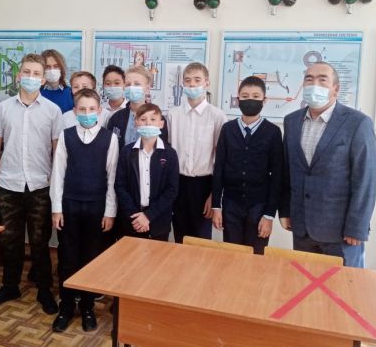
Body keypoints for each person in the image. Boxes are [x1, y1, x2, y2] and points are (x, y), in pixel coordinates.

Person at [0, 53, 63, 313]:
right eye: (26, 72)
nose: (31, 77)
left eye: (36, 73)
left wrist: (55, 184)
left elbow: (57, 150)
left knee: (40, 241)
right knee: (10, 239)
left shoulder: (52, 111)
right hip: (8, 184)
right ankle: (10, 286)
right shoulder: (4, 108)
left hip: (40, 185)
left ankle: (44, 290)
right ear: (18, 76)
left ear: (43, 79)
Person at [279, 61, 376, 267]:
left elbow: (366, 179)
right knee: (304, 282)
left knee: (343, 285)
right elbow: (287, 172)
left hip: (341, 232)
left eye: (322, 80)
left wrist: (357, 227)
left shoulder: (357, 123)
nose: (314, 84)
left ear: (336, 89)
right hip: (302, 227)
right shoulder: (291, 121)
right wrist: (286, 211)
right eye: (309, 79)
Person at [50, 88, 118, 332]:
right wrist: (56, 209)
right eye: (82, 109)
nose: (87, 113)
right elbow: (58, 173)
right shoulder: (66, 135)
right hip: (70, 205)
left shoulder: (110, 138)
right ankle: (66, 306)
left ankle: (88, 307)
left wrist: (109, 211)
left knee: (91, 258)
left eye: (91, 109)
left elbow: (112, 177)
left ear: (99, 111)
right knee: (67, 257)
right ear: (75, 111)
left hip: (97, 207)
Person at [211, 76, 283, 254]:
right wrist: (216, 207)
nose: (250, 100)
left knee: (256, 254)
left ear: (264, 100)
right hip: (231, 204)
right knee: (232, 254)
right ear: (238, 99)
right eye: (245, 96)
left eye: (255, 96)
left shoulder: (273, 132)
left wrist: (269, 215)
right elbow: (219, 169)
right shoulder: (228, 129)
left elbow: (277, 176)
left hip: (259, 206)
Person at [167, 62, 227, 243]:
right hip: (178, 182)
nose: (192, 84)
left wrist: (214, 196)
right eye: (187, 80)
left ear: (206, 83)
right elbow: (168, 153)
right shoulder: (173, 115)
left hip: (204, 184)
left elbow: (222, 160)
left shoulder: (217, 116)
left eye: (197, 80)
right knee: (179, 236)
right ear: (182, 84)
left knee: (201, 240)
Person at [115, 103, 179, 241]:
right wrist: (136, 217)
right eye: (143, 119)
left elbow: (172, 190)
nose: (148, 123)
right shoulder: (126, 152)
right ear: (136, 123)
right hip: (132, 219)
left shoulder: (170, 154)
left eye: (153, 119)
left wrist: (148, 216)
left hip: (158, 220)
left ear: (161, 124)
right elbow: (120, 186)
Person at [107, 65, 168, 150]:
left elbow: (162, 150)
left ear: (147, 88)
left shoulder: (157, 118)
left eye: (137, 84)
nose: (132, 87)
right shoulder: (116, 118)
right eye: (128, 84)